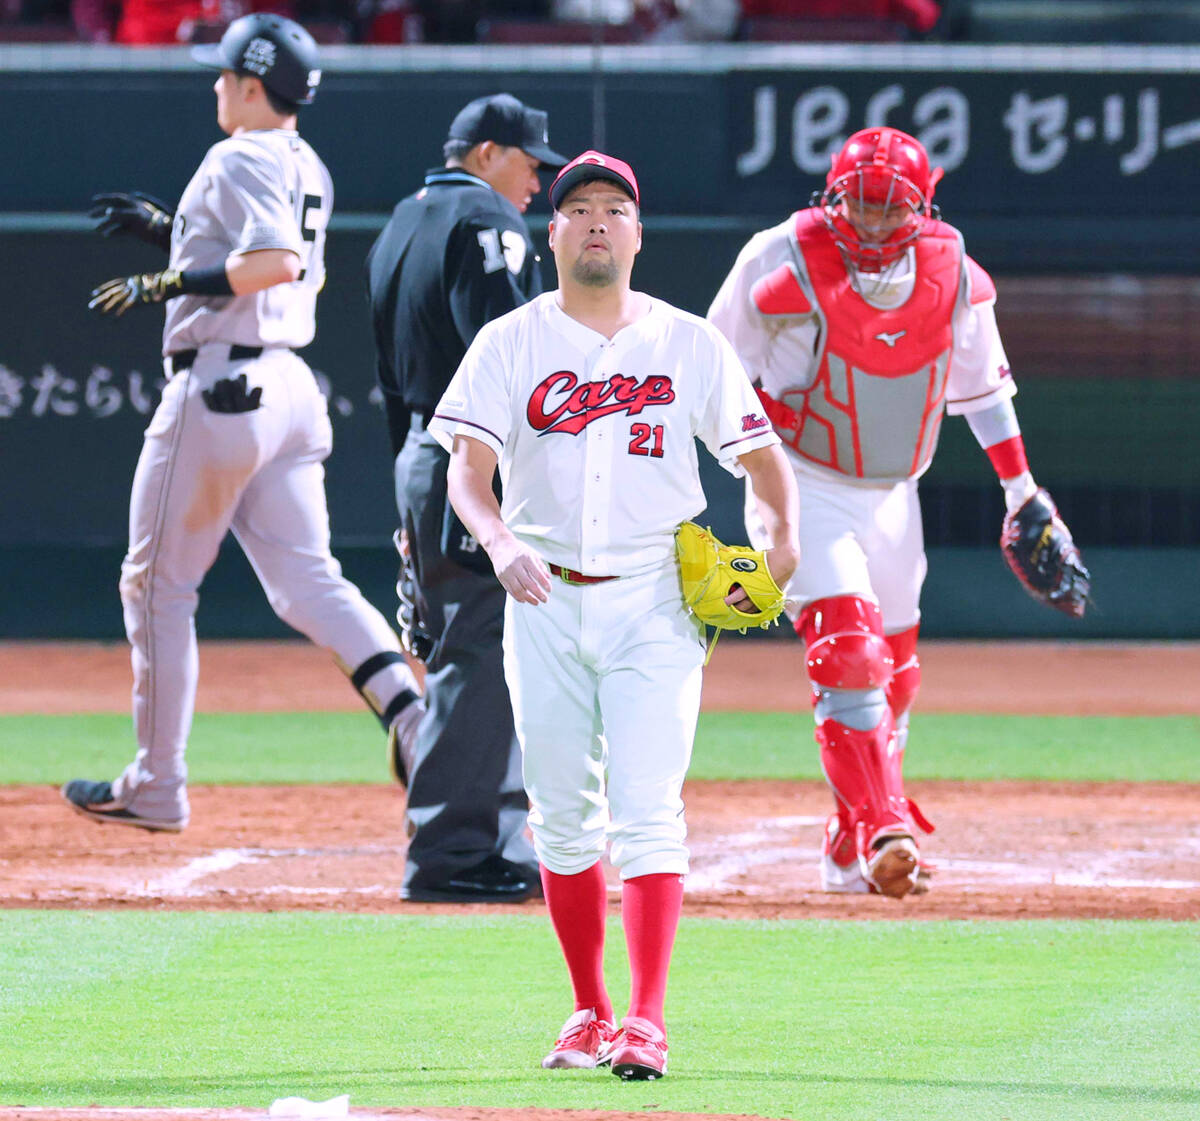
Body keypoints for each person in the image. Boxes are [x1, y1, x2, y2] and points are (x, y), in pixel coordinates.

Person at [430, 151, 800, 1079]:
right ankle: (589, 1010)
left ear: (638, 234)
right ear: (551, 232)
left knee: (648, 810)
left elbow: (762, 462)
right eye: (578, 208)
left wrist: (780, 547)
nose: (596, 220)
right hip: (541, 597)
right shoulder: (509, 341)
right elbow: (467, 474)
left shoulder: (689, 343)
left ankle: (646, 1018)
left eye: (614, 208)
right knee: (559, 816)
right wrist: (499, 541)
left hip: (655, 600)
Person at [62, 13, 424, 833]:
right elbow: (282, 260)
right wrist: (172, 232)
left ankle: (157, 782)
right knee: (310, 580)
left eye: (225, 75)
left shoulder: (240, 153)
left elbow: (275, 263)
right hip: (287, 387)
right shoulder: (304, 161)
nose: (217, 85)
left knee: (156, 585)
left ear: (254, 85)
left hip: (223, 385)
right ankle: (412, 716)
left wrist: (165, 280)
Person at [708, 125, 1081, 899]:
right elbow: (711, 370)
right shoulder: (776, 255)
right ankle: (885, 828)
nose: (875, 222)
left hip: (894, 493)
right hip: (799, 483)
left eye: (891, 207)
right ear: (833, 196)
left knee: (897, 673)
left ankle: (848, 842)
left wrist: (1022, 489)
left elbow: (985, 392)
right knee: (849, 652)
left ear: (922, 205)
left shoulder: (952, 270)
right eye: (862, 204)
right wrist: (748, 453)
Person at [364, 93, 568, 903]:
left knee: (475, 646)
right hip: (475, 454)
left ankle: (486, 840)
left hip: (423, 450)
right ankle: (452, 851)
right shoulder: (487, 221)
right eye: (530, 164)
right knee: (481, 651)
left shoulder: (400, 221)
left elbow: (387, 373)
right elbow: (509, 355)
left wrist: (411, 490)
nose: (537, 184)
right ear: (487, 153)